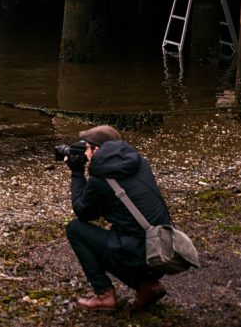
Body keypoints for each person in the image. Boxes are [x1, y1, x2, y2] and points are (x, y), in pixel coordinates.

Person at [64, 124, 171, 313]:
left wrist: (77, 172)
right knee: (124, 237)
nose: (84, 151)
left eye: (86, 147)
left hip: (140, 255)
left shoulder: (102, 180)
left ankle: (104, 295)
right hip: (164, 248)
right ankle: (147, 286)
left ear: (97, 150)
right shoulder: (139, 162)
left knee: (76, 230)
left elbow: (82, 211)